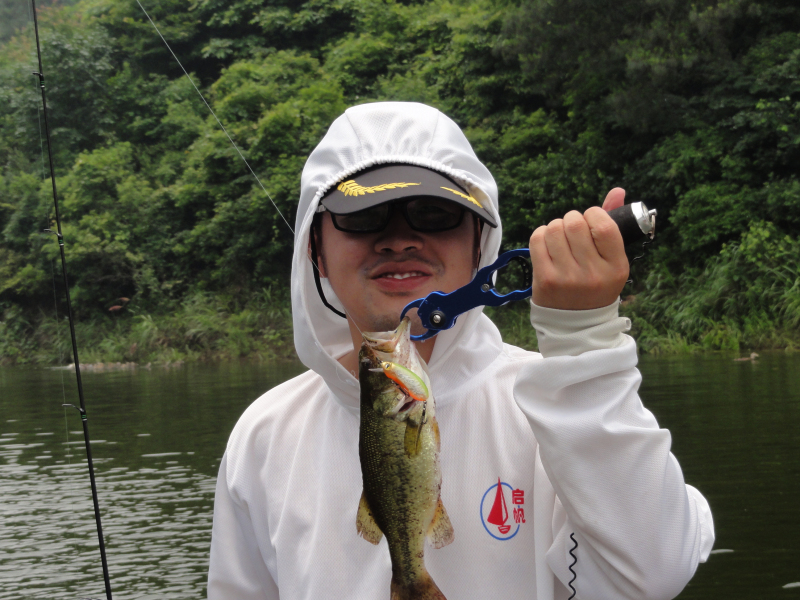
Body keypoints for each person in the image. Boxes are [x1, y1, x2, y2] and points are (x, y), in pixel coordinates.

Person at [207, 101, 714, 600]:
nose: (399, 240)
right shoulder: (264, 435)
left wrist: (584, 346)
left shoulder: (561, 401)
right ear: (315, 250)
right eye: (364, 216)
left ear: (480, 244)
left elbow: (654, 573)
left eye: (434, 213)